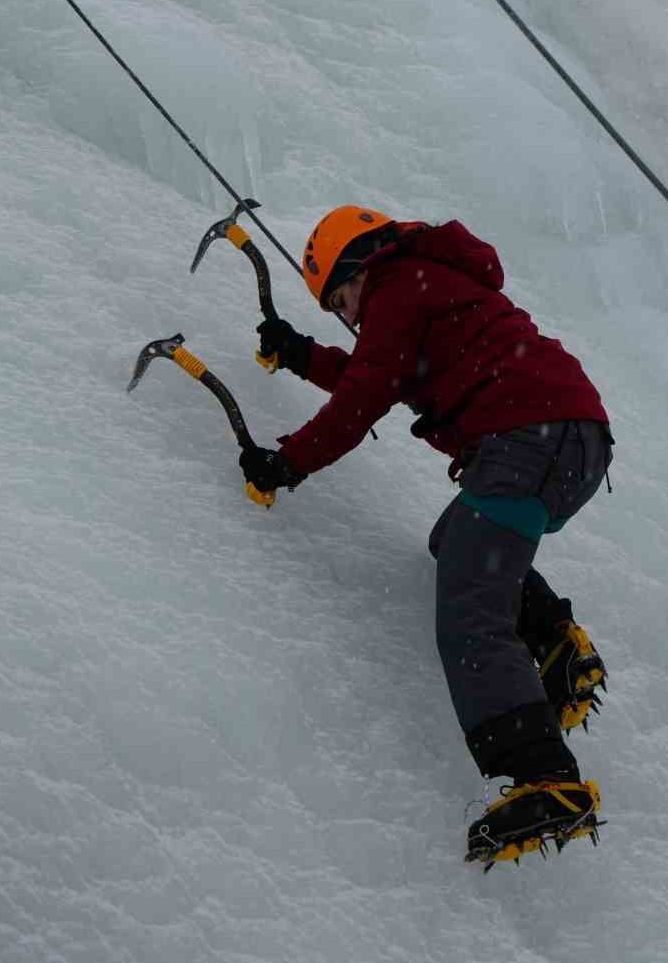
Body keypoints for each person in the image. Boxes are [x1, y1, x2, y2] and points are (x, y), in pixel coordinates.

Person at [239, 205, 614, 866]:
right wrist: (302, 355)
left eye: (343, 298)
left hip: (525, 435)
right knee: (460, 543)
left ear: (361, 265)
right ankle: (557, 645)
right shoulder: (424, 285)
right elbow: (384, 374)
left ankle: (546, 779)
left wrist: (286, 462)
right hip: (574, 441)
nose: (349, 316)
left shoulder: (398, 283)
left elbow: (365, 395)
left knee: (471, 605)